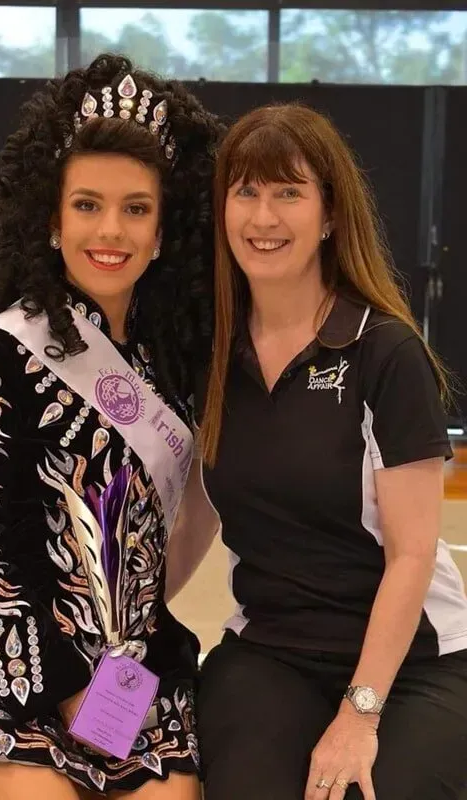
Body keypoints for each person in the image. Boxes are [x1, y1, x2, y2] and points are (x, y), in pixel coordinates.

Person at [0, 53, 222, 800]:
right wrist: (67, 692)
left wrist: (111, 700)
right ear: (52, 222)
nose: (112, 231)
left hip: (131, 675)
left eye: (136, 209)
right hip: (9, 673)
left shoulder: (175, 370)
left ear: (162, 232)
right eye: (88, 205)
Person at [196, 102, 467, 800]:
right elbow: (192, 513)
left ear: (329, 216)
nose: (263, 217)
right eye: (246, 191)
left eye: (288, 192)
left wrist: (359, 714)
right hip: (271, 650)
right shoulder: (209, 354)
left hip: (414, 662)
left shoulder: (385, 352)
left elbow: (411, 554)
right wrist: (119, 635)